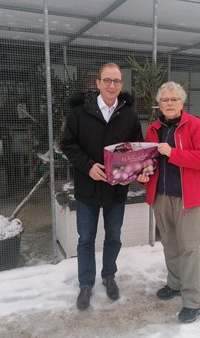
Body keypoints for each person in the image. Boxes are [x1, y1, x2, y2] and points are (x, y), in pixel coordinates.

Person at [61, 63, 143, 310]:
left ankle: (109, 275)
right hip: (88, 188)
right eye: (107, 80)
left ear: (121, 84)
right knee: (86, 238)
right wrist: (88, 166)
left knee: (114, 235)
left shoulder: (128, 114)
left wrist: (132, 172)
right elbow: (68, 145)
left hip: (116, 190)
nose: (112, 86)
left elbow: (136, 147)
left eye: (117, 81)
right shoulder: (79, 112)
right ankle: (86, 284)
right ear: (97, 83)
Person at [137, 81, 200, 323]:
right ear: (159, 104)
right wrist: (142, 176)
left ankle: (193, 302)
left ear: (182, 103)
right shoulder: (154, 128)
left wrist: (173, 153)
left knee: (188, 248)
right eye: (164, 100)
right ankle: (175, 284)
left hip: (188, 198)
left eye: (174, 99)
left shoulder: (195, 125)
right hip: (160, 197)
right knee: (169, 244)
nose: (169, 104)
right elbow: (149, 162)